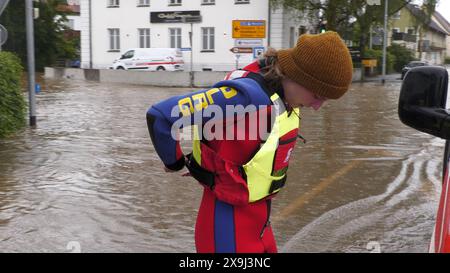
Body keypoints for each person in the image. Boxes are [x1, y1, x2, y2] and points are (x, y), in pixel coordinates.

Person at [146, 31, 353, 253]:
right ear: (297, 76)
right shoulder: (246, 97)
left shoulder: (281, 95)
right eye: (317, 96)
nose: (317, 107)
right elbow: (162, 116)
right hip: (227, 226)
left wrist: (198, 161)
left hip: (259, 222)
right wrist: (175, 162)